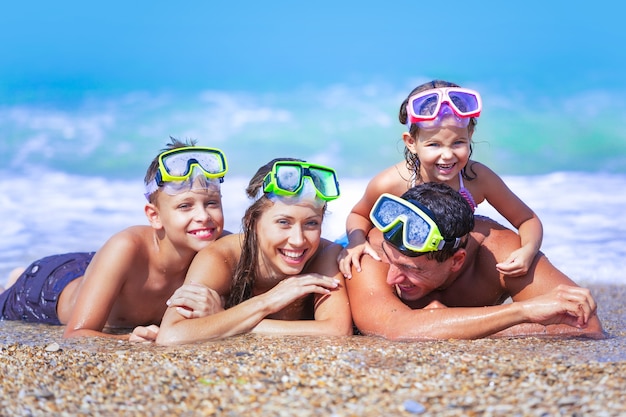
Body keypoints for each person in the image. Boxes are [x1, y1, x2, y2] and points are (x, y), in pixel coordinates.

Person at [0, 138, 230, 341]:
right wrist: (127, 338)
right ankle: (16, 281)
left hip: (96, 266)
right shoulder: (126, 246)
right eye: (185, 206)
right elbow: (77, 334)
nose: (203, 216)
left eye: (212, 203)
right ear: (155, 216)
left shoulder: (225, 249)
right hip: (47, 289)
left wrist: (219, 314)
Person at [345, 182, 604, 341]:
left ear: (457, 261)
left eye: (411, 269)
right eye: (392, 261)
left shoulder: (502, 253)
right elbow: (395, 328)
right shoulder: (372, 252)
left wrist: (449, 324)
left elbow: (587, 325)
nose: (391, 279)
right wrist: (521, 312)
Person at [338, 80, 543, 279]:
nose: (447, 155)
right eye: (434, 145)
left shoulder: (477, 179)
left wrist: (529, 250)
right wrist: (355, 243)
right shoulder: (392, 182)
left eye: (458, 142)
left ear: (470, 134)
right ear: (411, 142)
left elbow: (526, 219)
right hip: (394, 257)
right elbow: (359, 214)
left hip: (434, 262)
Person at [156, 158, 353, 345]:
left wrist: (225, 317)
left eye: (311, 223)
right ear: (252, 221)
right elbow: (171, 335)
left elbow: (337, 331)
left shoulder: (325, 254)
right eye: (283, 222)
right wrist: (269, 301)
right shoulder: (221, 257)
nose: (298, 240)